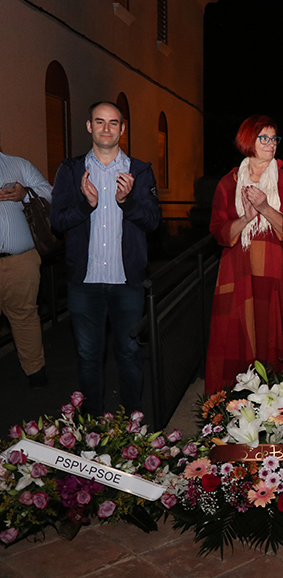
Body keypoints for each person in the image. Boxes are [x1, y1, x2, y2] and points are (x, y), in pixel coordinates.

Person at [50, 102, 160, 416]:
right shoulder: (70, 170)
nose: (107, 129)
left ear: (123, 129)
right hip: (84, 283)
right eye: (100, 122)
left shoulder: (139, 170)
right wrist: (86, 206)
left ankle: (131, 424)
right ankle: (92, 427)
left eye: (114, 123)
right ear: (89, 126)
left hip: (127, 283)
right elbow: (57, 222)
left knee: (128, 355)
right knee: (88, 358)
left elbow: (153, 221)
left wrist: (127, 202)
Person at [205, 115, 283, 392]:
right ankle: (231, 405)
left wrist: (265, 208)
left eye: (274, 138)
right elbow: (219, 231)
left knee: (272, 338)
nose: (271, 144)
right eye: (264, 138)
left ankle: (277, 404)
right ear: (248, 141)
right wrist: (247, 218)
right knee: (237, 334)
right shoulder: (228, 184)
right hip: (238, 269)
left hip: (274, 269)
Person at [0, 133, 53, 389]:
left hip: (21, 260)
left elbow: (49, 193)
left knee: (25, 316)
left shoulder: (18, 164)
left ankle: (35, 372)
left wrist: (24, 193)